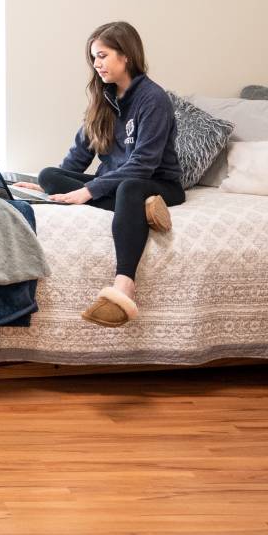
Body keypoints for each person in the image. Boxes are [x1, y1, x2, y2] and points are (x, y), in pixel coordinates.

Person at [37, 21, 186, 327]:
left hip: (159, 184)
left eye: (102, 55)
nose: (97, 64)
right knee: (47, 175)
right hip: (121, 185)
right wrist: (50, 188)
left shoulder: (153, 99)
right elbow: (79, 156)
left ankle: (124, 285)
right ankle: (142, 213)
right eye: (94, 58)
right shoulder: (103, 98)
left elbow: (144, 163)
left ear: (126, 56)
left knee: (128, 187)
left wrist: (88, 192)